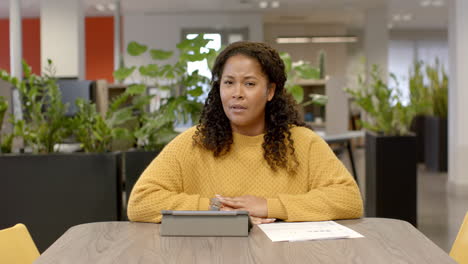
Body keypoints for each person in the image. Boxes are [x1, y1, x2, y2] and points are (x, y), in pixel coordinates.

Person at [127, 41, 363, 224]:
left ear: (270, 91)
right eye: (228, 82)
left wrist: (268, 206)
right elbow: (141, 202)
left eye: (249, 84)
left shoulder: (303, 143)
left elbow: (348, 199)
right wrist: (216, 208)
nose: (236, 93)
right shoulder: (193, 142)